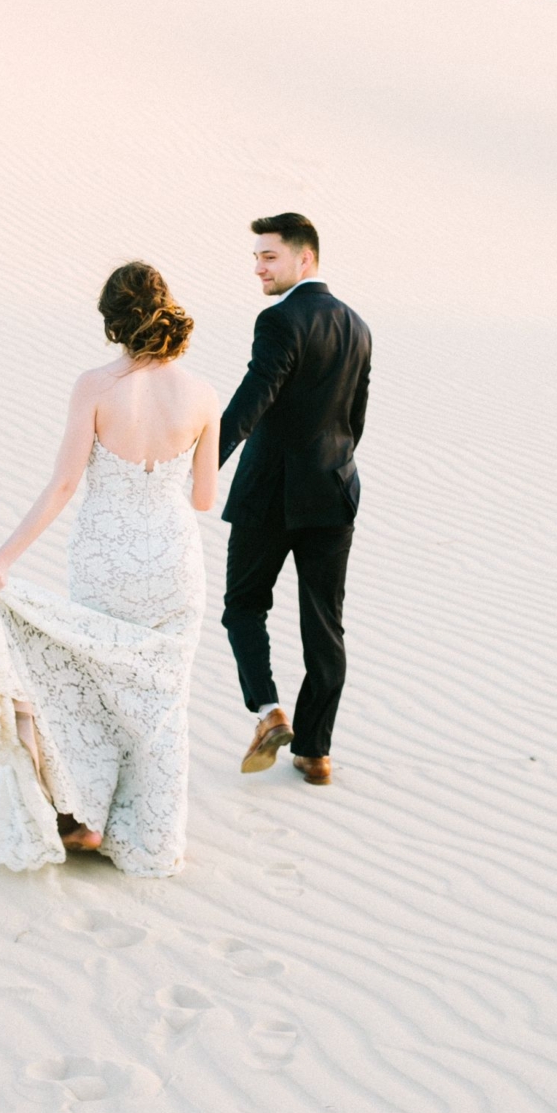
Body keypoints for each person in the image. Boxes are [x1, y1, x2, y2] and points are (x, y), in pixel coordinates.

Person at [0, 263, 219, 876]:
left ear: (113, 322)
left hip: (105, 557)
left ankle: (86, 818)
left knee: (94, 688)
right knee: (162, 701)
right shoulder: (202, 395)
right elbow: (203, 499)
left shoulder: (94, 386)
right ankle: (152, 842)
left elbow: (65, 482)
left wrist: (3, 558)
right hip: (173, 560)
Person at [219, 213, 371, 786]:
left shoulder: (279, 320)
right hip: (334, 493)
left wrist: (203, 466)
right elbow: (355, 419)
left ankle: (268, 711)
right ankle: (315, 752)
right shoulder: (358, 326)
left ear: (304, 259)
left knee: (243, 606)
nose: (259, 267)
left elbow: (252, 398)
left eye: (270, 257)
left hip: (270, 495)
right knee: (325, 624)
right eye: (256, 257)